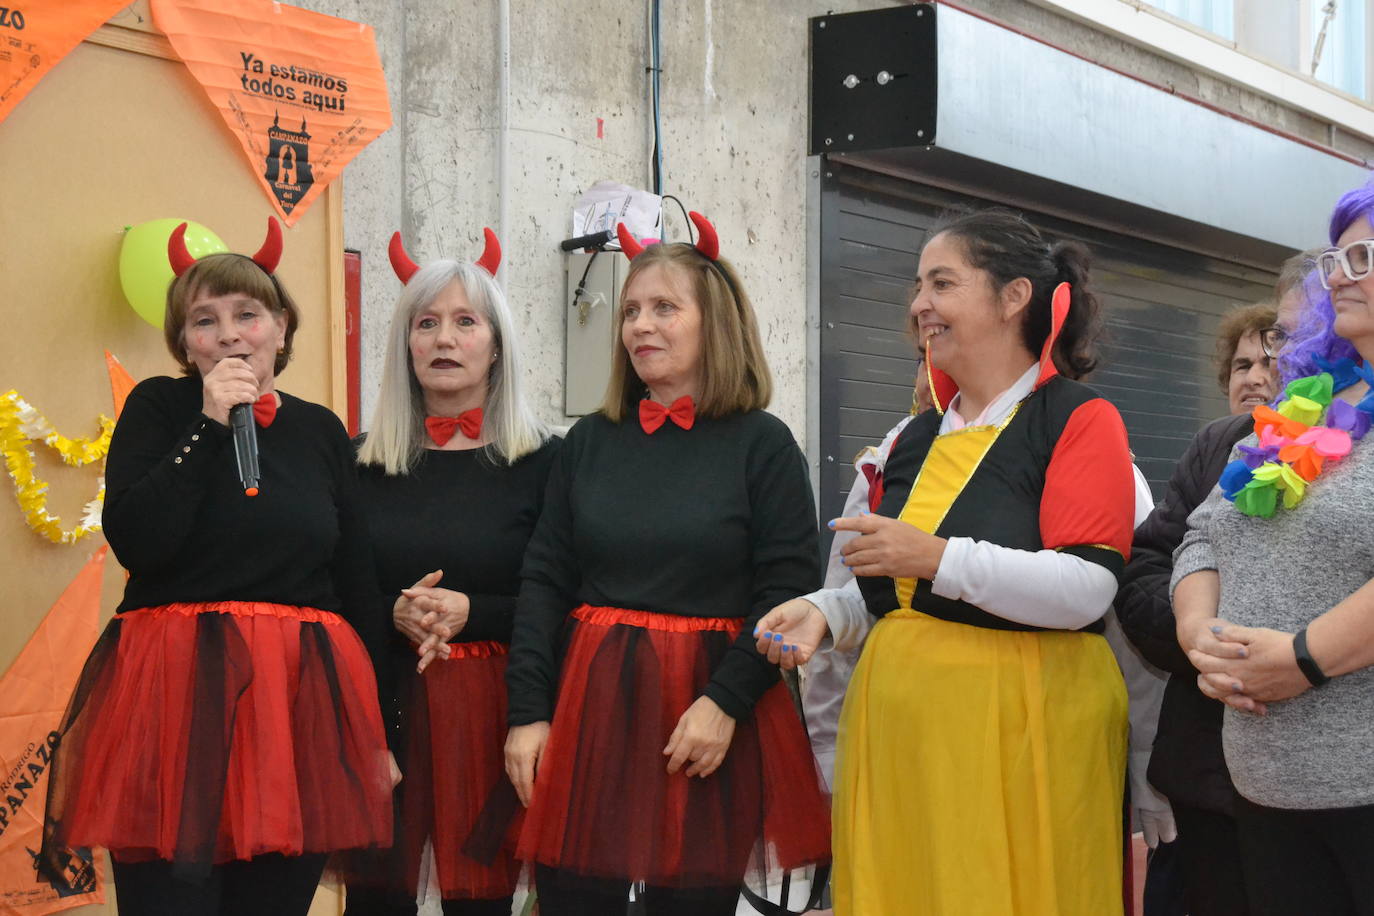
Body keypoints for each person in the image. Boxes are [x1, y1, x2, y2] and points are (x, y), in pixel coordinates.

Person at [755, 208, 1137, 915]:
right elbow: (894, 596)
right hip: (903, 735)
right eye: (917, 286)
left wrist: (936, 556)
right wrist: (824, 610)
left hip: (1027, 730)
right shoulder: (911, 437)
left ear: (1014, 296)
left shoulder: (1079, 420)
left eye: (941, 283)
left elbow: (1087, 587)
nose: (918, 305)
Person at [41, 219, 397, 916]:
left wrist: (377, 733)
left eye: (247, 314)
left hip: (295, 712)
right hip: (173, 704)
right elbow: (139, 541)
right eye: (204, 321)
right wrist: (206, 425)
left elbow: (356, 581)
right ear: (183, 343)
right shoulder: (157, 406)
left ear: (282, 329)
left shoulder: (321, 430)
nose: (229, 334)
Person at [503, 212, 831, 915]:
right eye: (629, 311)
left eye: (663, 308)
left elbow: (786, 592)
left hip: (709, 716)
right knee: (575, 901)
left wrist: (724, 705)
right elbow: (544, 581)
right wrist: (529, 712)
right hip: (591, 713)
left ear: (714, 320)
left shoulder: (763, 446)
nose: (640, 326)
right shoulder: (588, 443)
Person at [342, 230, 558, 915]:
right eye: (426, 323)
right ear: (405, 346)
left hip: (500, 711)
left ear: (497, 344)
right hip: (385, 705)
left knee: (482, 903)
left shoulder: (547, 463)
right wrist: (391, 611)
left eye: (466, 322)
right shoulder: (358, 463)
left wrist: (476, 612)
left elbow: (563, 594)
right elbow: (332, 589)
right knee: (378, 903)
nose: (444, 339)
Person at [1174, 185, 1374, 916]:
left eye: (1362, 255)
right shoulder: (1303, 409)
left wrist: (1302, 660)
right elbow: (1202, 533)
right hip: (1266, 792)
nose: (1339, 274)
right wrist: (1201, 638)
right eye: (1335, 257)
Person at [1116, 256, 1315, 916]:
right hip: (1205, 777)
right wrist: (1200, 642)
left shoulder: (1349, 447)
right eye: (1241, 366)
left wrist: (1290, 648)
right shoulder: (1216, 448)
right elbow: (1145, 566)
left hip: (1318, 775)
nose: (1256, 377)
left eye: (1274, 354)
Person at [1218, 304, 1281, 415]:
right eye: (1244, 367)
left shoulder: (1320, 431)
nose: (1252, 379)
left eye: (1269, 365)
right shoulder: (1211, 432)